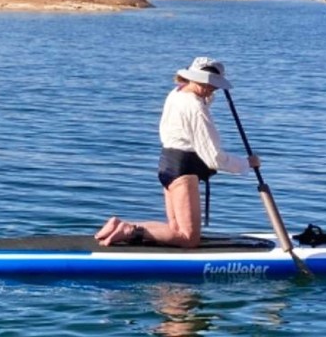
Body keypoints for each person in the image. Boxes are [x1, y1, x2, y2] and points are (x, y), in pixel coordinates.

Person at [94, 57, 260, 248]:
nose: (211, 88)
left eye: (215, 85)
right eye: (207, 82)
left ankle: (120, 226)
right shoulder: (197, 109)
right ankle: (128, 230)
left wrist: (209, 93)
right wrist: (247, 163)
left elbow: (200, 100)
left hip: (167, 164)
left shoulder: (177, 93)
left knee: (175, 228)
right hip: (184, 170)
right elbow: (214, 158)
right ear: (194, 78)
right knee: (188, 238)